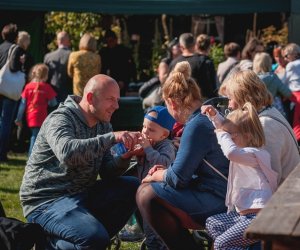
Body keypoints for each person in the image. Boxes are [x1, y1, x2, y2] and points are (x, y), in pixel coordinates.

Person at [19, 74, 141, 249]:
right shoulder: (61, 118)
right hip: (46, 200)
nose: (116, 106)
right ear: (91, 98)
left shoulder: (103, 124)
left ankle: (75, 240)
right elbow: (68, 153)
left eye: (117, 100)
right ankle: (53, 242)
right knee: (94, 238)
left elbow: (107, 172)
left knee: (133, 186)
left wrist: (125, 157)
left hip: (81, 194)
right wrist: (111, 138)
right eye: (111, 100)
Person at [136, 61, 229, 250]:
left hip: (218, 199)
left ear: (171, 102)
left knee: (146, 194)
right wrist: (165, 172)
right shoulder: (207, 115)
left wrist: (156, 175)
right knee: (149, 191)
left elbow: (178, 178)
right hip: (223, 193)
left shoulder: (196, 125)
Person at [202, 102, 278, 249]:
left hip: (259, 218)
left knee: (220, 244)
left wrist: (222, 134)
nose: (228, 140)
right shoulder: (244, 151)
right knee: (212, 223)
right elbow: (227, 128)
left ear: (247, 136)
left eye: (231, 137)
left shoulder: (254, 154)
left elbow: (230, 152)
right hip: (244, 216)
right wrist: (215, 116)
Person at [221, 70, 300, 185]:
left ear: (242, 98)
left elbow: (270, 177)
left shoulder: (265, 125)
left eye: (230, 99)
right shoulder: (269, 112)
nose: (229, 105)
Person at [121, 106, 177, 249]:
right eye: (144, 127)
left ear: (164, 135)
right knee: (149, 228)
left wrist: (147, 149)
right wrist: (137, 154)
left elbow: (163, 163)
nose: (145, 131)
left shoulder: (166, 146)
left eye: (151, 129)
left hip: (159, 198)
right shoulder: (150, 145)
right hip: (145, 192)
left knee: (154, 233)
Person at [15, 63, 57, 156]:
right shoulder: (47, 87)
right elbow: (53, 103)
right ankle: (32, 158)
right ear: (46, 75)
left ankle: (33, 157)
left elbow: (22, 105)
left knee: (34, 136)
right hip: (41, 116)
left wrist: (18, 118)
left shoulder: (28, 86)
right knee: (36, 137)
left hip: (30, 116)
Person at [0, 23, 24, 162]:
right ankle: (2, 154)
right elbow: (14, 68)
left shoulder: (0, 47)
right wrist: (22, 62)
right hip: (8, 91)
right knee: (6, 123)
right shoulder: (16, 49)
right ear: (16, 36)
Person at [169, 33, 217, 100]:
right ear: (195, 44)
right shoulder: (203, 61)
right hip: (198, 103)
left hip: (178, 103)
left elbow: (169, 86)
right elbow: (209, 87)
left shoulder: (174, 63)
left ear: (181, 46)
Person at [253, 52, 291, 118]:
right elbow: (288, 93)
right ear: (269, 63)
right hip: (274, 111)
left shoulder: (251, 79)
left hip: (257, 112)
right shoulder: (273, 77)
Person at [100, 29, 136, 96]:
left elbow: (129, 67)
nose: (109, 43)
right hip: (108, 81)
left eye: (111, 41)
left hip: (122, 79)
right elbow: (103, 68)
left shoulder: (124, 51)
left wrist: (123, 80)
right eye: (107, 42)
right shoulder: (104, 52)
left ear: (116, 40)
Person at [68, 32, 101, 97]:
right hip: (92, 88)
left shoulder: (74, 55)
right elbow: (98, 72)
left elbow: (70, 73)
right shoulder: (97, 57)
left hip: (78, 89)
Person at [44, 31, 72, 103]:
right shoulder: (73, 56)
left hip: (51, 95)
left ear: (57, 41)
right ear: (69, 42)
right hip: (68, 95)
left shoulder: (48, 56)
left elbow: (45, 77)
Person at [283, 43, 300, 143]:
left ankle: (295, 142)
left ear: (293, 54)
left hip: (295, 96)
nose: (285, 59)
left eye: (286, 56)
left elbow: (284, 82)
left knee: (296, 122)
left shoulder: (291, 65)